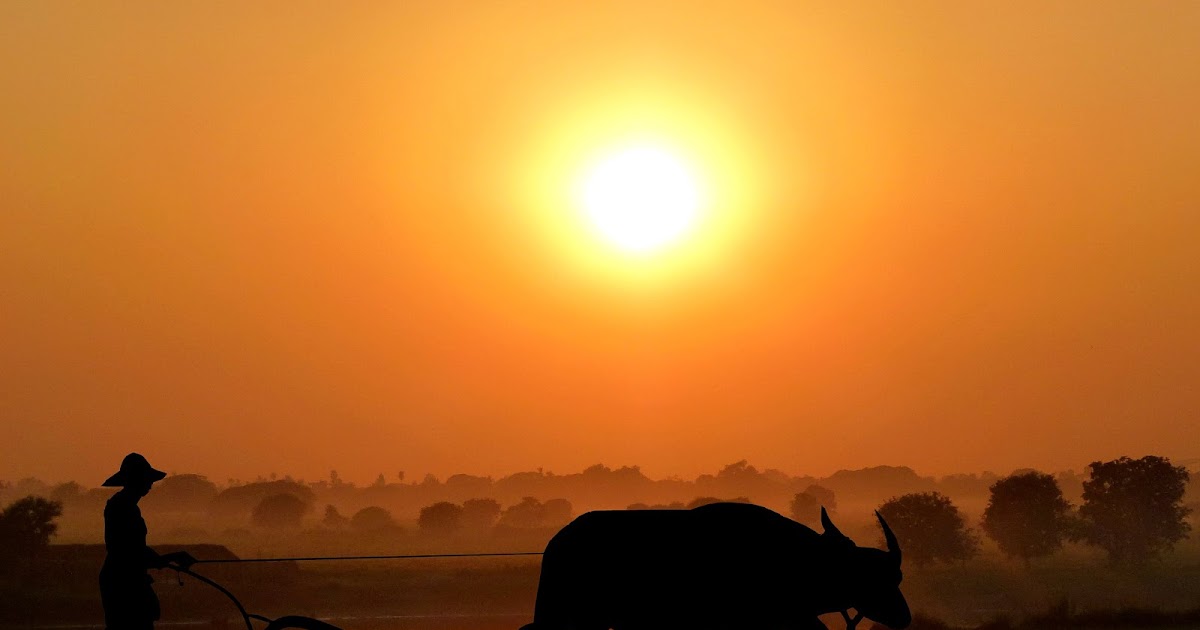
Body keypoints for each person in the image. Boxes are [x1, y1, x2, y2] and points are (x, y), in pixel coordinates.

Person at [100, 453, 196, 630]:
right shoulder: (122, 508)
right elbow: (130, 552)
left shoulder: (124, 506)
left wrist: (168, 558)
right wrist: (171, 558)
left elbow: (137, 549)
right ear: (136, 480)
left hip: (123, 577)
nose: (150, 484)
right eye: (146, 479)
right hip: (123, 582)